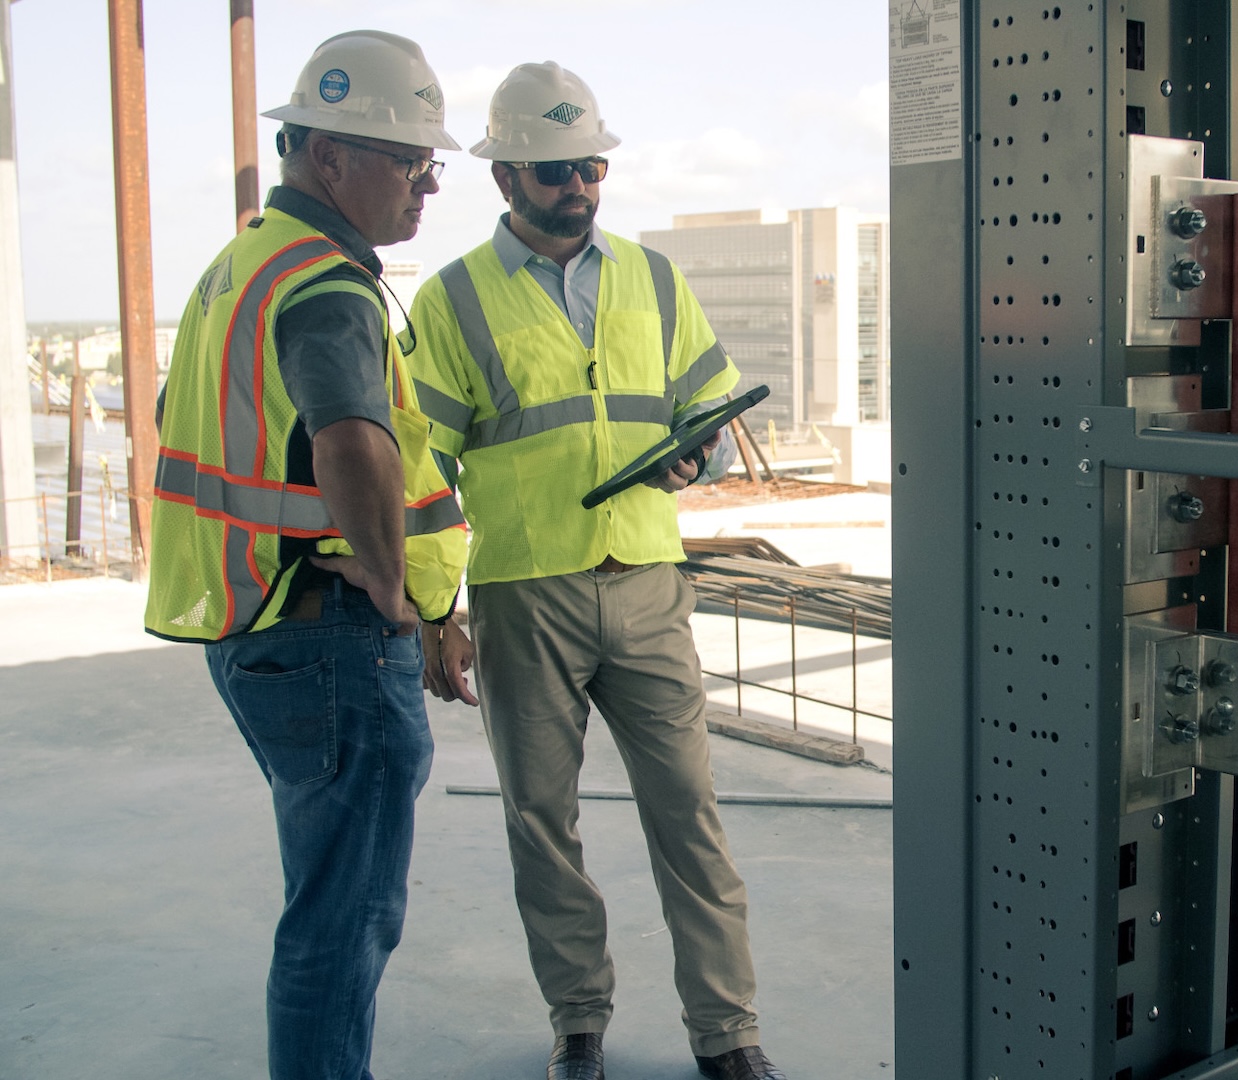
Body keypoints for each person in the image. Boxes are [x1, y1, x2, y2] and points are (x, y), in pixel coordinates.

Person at [406, 62, 780, 1080]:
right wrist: (439, 608)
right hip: (527, 590)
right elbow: (421, 468)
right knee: (542, 821)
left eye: (592, 166)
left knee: (689, 819)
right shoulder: (450, 302)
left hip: (649, 581)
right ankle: (579, 1020)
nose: (579, 185)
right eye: (556, 169)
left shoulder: (654, 280)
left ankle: (729, 1032)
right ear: (507, 179)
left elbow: (707, 409)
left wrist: (692, 453)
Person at [142, 29, 467, 1080]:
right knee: (342, 923)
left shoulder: (237, 269)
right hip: (326, 634)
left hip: (253, 625)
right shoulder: (325, 284)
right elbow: (352, 443)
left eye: (433, 165)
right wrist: (390, 589)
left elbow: (176, 415)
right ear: (328, 157)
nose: (426, 186)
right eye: (408, 160)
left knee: (324, 903)